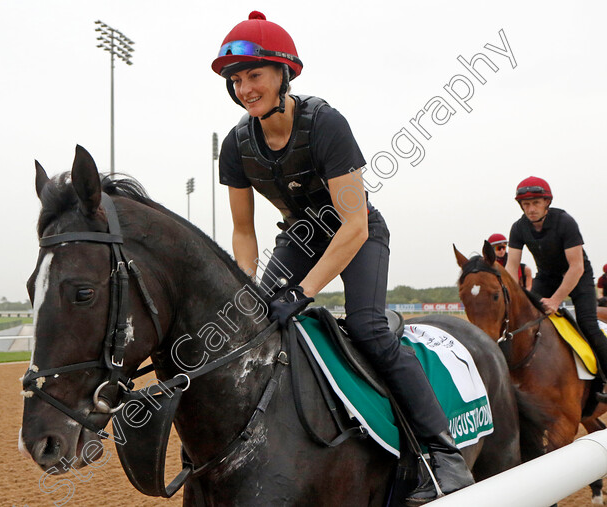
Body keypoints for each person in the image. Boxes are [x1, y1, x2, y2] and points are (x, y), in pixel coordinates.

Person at [212, 11, 473, 502]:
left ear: (283, 74)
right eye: (237, 80)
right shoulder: (235, 145)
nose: (246, 88)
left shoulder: (326, 123)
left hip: (358, 233)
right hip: (299, 238)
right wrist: (248, 288)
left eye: (255, 76)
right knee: (250, 325)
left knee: (368, 326)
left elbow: (352, 226)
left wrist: (303, 293)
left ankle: (443, 455)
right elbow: (243, 233)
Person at [506, 177, 607, 381]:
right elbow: (511, 266)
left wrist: (555, 300)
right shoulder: (518, 228)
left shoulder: (565, 222)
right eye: (526, 204)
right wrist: (510, 296)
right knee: (525, 318)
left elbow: (576, 267)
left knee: (588, 324)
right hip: (546, 276)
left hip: (577, 275)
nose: (531, 208)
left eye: (536, 203)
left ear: (546, 203)